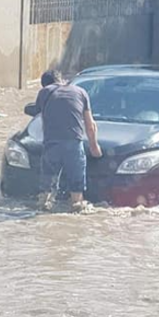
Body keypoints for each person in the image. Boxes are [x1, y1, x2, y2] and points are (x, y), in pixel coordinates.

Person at [35, 69, 102, 212]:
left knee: (47, 188)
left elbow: (43, 119)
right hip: (74, 145)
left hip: (51, 145)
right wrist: (94, 148)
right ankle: (76, 209)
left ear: (45, 84)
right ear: (62, 79)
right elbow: (90, 126)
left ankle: (42, 211)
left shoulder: (44, 93)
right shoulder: (81, 92)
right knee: (77, 191)